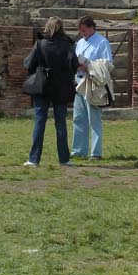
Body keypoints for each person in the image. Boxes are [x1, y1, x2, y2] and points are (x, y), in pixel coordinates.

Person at [23, 16, 79, 167]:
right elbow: (74, 64)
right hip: (60, 87)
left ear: (47, 27)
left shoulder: (40, 44)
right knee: (60, 123)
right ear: (62, 28)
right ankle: (64, 159)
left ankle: (34, 159)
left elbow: (28, 63)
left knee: (40, 121)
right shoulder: (67, 44)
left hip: (43, 86)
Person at [72, 15, 114, 160]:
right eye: (81, 31)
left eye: (84, 30)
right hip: (79, 81)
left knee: (94, 118)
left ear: (92, 28)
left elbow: (107, 64)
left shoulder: (102, 42)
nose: (82, 33)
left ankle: (96, 152)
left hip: (93, 83)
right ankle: (78, 150)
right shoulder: (80, 43)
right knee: (78, 117)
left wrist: (89, 65)